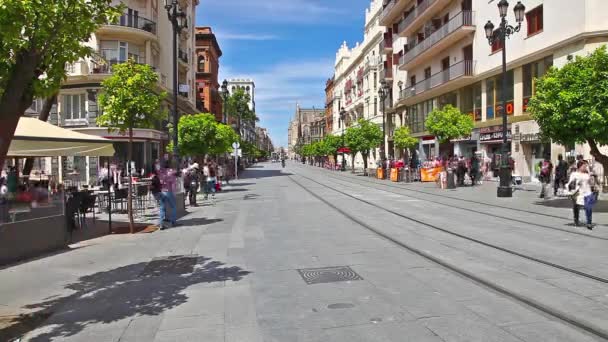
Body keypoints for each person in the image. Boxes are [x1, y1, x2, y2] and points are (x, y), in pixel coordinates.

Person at [567, 161, 596, 229]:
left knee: (589, 207)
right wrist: (577, 183)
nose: (585, 167)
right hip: (578, 193)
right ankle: (576, 220)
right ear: (580, 166)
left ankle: (589, 222)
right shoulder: (574, 174)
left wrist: (591, 177)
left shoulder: (587, 174)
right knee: (576, 207)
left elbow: (591, 183)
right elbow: (570, 184)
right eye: (584, 166)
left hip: (587, 193)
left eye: (586, 166)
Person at [159, 161, 178, 227]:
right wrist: (174, 192)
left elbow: (160, 182)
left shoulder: (161, 172)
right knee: (173, 206)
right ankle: (173, 221)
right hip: (169, 191)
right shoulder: (171, 172)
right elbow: (173, 184)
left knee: (162, 208)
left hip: (162, 191)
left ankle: (161, 224)